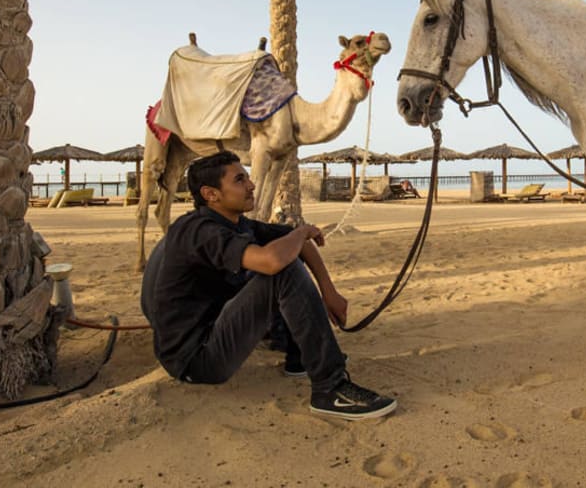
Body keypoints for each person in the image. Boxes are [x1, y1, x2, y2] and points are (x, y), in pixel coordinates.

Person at [139, 151, 397, 420]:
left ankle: (300, 359)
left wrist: (329, 292)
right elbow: (274, 260)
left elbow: (299, 245)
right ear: (210, 194)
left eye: (247, 177)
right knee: (281, 270)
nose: (251, 185)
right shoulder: (200, 231)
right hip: (196, 360)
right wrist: (300, 232)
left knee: (281, 260)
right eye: (239, 180)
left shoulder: (235, 223)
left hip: (214, 332)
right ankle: (330, 388)